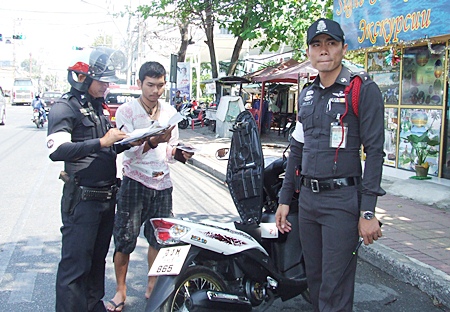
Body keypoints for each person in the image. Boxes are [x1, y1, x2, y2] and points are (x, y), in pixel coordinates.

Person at [275, 18, 385, 312]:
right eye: (316, 44)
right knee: (316, 282)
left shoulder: (362, 89)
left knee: (335, 290)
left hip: (342, 202)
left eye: (331, 43)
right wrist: (285, 199)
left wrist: (368, 211)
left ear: (343, 48)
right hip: (308, 202)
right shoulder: (307, 94)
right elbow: (297, 149)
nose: (323, 50)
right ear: (309, 52)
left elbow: (375, 153)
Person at [46, 47, 128, 312]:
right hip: (82, 201)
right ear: (84, 78)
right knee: (75, 267)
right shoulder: (64, 106)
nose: (107, 85)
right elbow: (57, 150)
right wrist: (102, 141)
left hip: (106, 199)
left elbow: (106, 148)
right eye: (102, 80)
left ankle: (94, 307)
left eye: (108, 81)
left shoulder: (98, 109)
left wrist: (137, 141)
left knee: (96, 262)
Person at [107, 61, 193, 312]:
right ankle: (120, 291)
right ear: (140, 83)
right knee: (125, 239)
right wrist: (153, 141)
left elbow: (170, 149)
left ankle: (152, 285)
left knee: (160, 239)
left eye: (160, 85)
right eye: (151, 85)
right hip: (135, 181)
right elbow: (128, 153)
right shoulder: (126, 112)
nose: (156, 90)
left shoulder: (169, 111)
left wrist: (181, 154)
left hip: (163, 183)